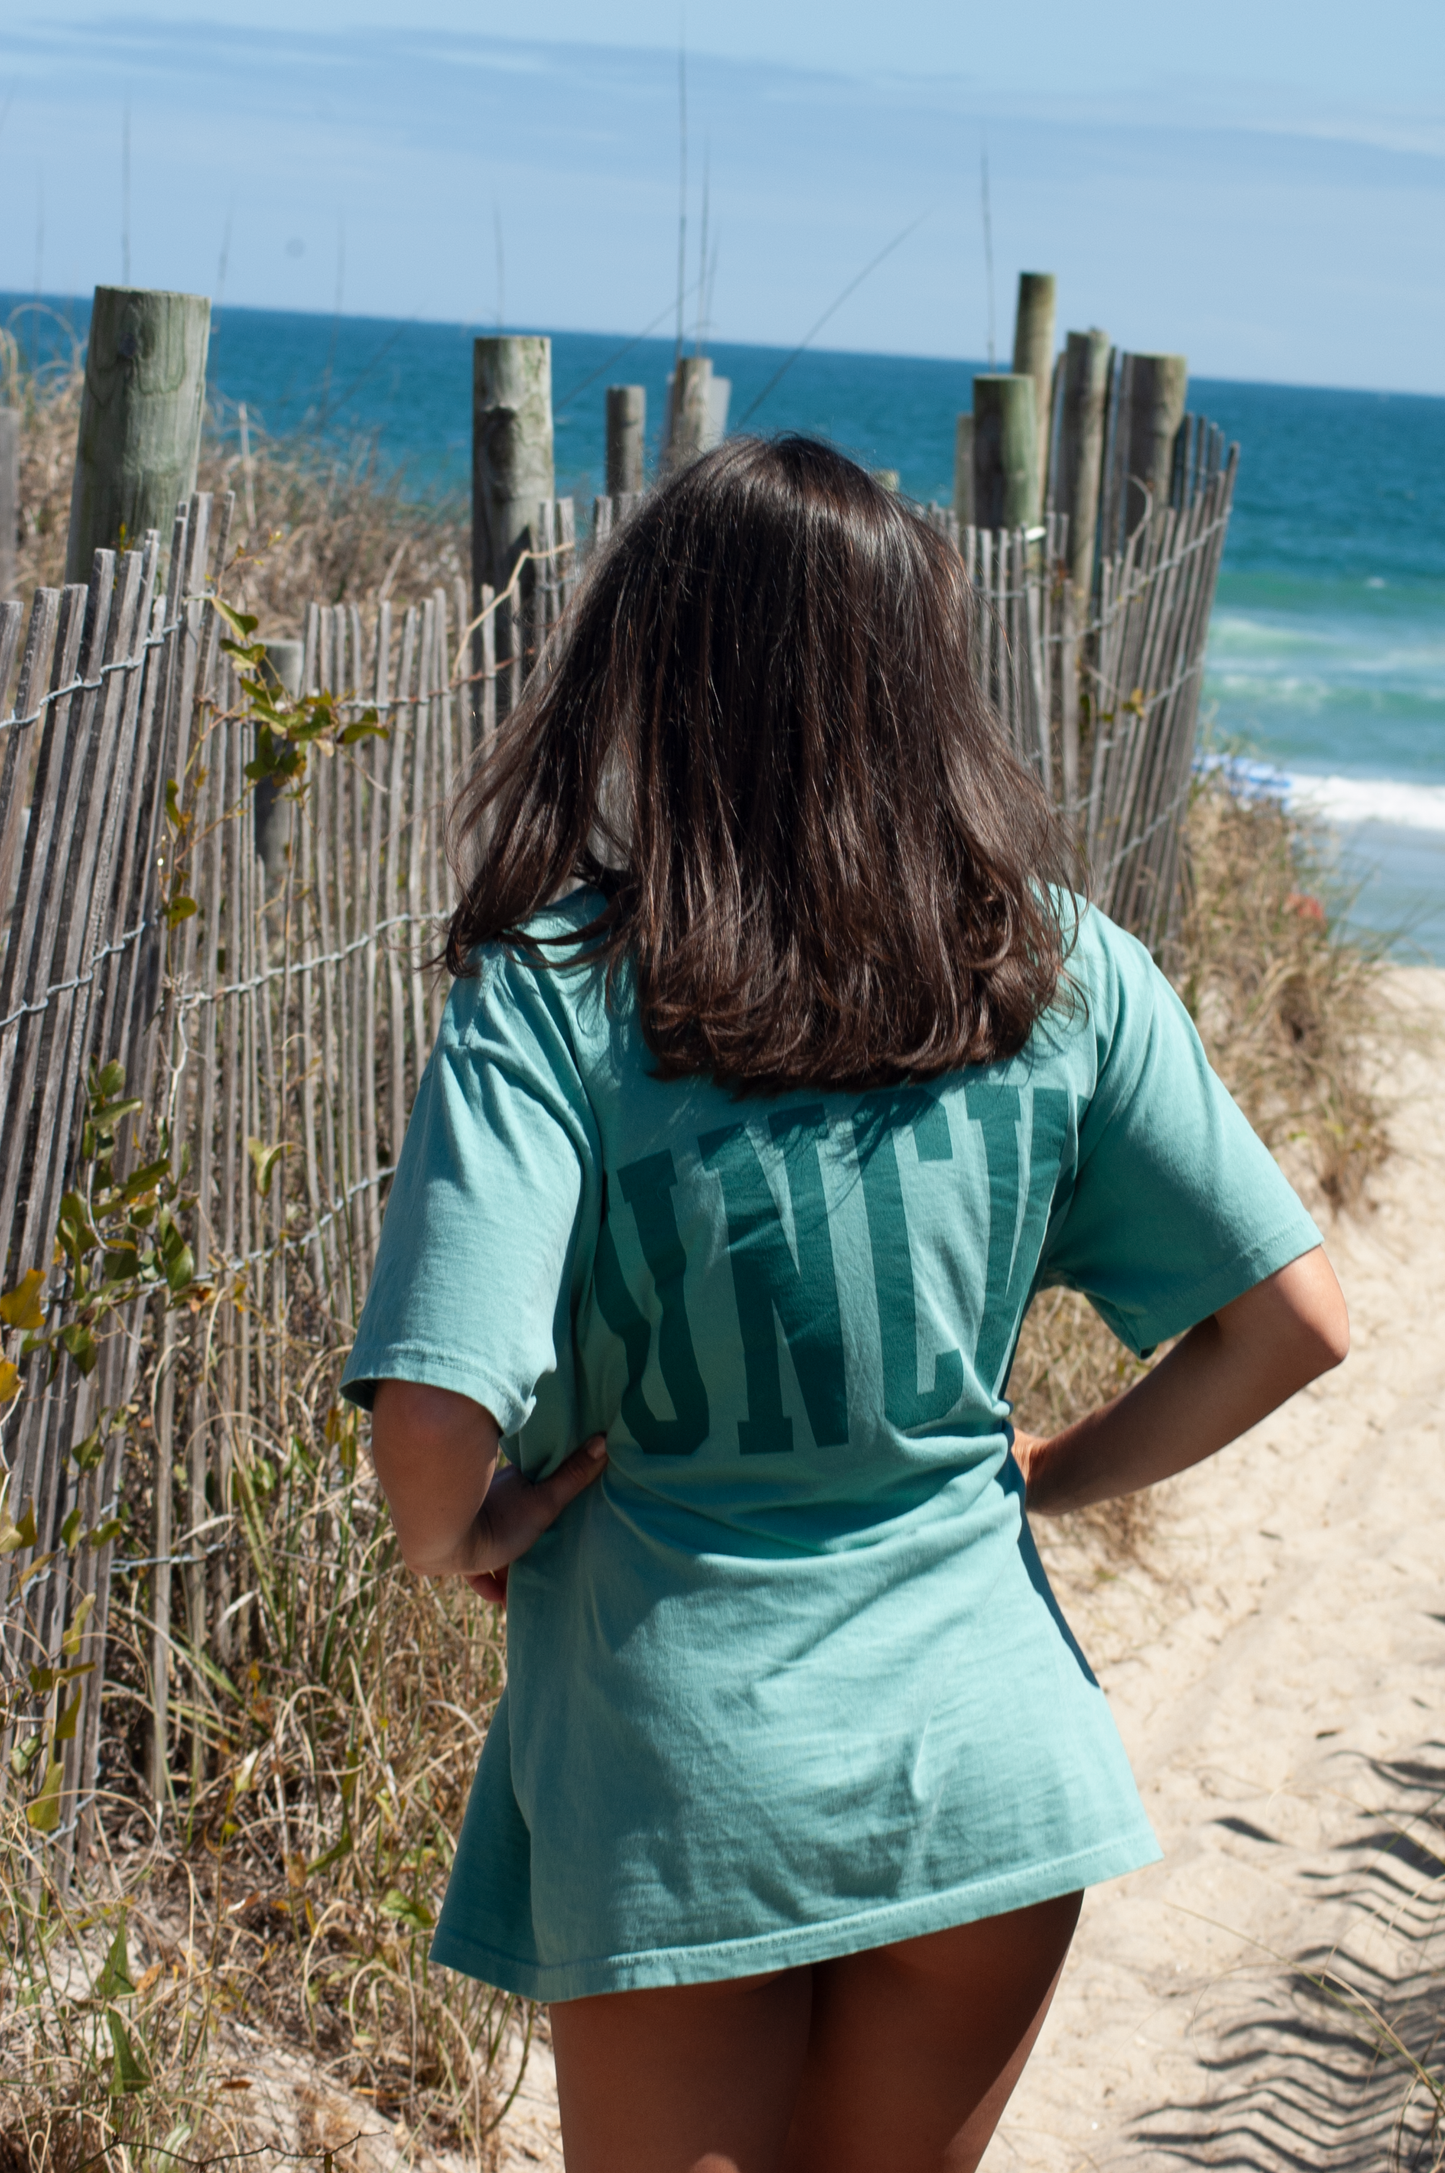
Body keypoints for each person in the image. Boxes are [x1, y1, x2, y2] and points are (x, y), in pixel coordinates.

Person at [341, 437, 1348, 2173]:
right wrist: (1038, 1475)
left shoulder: (557, 993)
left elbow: (435, 1409)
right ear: (920, 676)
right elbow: (1296, 1324)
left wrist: (457, 1537)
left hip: (682, 1765)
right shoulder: (1053, 962)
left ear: (653, 666)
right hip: (987, 1756)